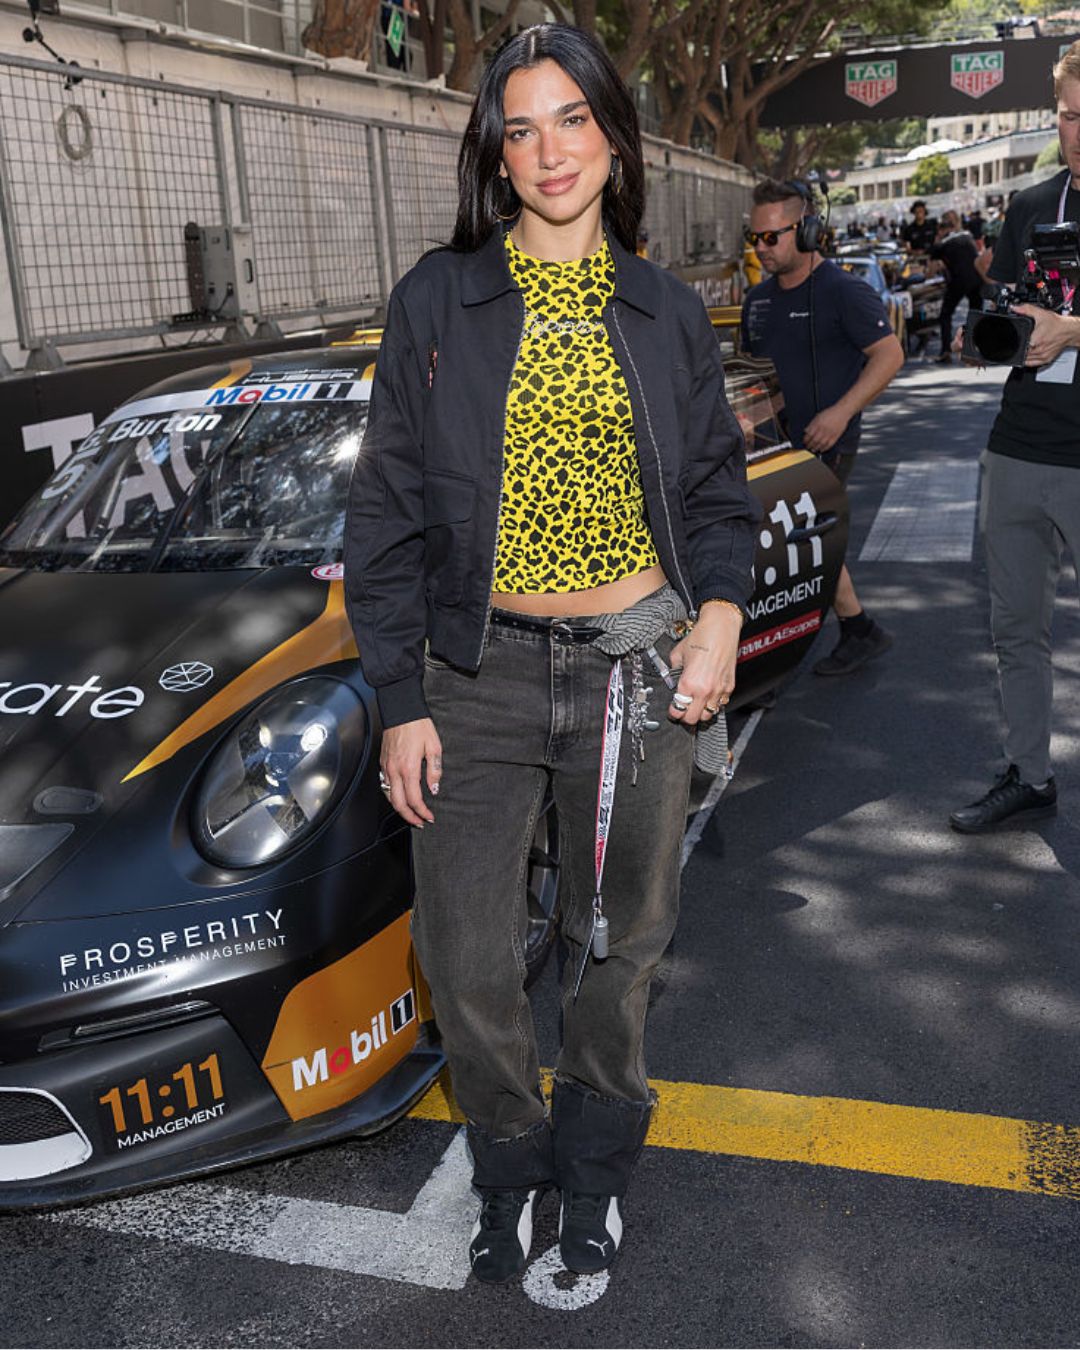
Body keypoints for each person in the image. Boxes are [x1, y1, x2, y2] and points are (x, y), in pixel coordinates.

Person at [344, 23, 759, 1283]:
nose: (547, 149)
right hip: (477, 676)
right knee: (464, 953)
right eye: (519, 127)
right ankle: (509, 1163)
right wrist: (401, 695)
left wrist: (724, 618)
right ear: (495, 154)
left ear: (613, 135)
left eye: (571, 118)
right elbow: (386, 517)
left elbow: (716, 503)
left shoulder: (665, 310)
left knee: (616, 944)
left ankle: (593, 1171)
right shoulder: (439, 298)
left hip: (639, 667)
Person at [949, 40, 1080, 833]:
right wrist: (989, 334)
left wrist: (1072, 330)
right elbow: (995, 310)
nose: (1076, 131)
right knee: (1015, 633)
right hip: (1020, 443)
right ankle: (1030, 773)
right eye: (1067, 115)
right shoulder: (1033, 202)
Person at [741, 179, 904, 675]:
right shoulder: (758, 301)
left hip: (830, 441)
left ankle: (772, 664)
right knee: (808, 543)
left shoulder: (844, 292)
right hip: (775, 447)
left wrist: (840, 413)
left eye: (773, 237)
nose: (762, 248)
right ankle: (858, 629)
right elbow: (757, 374)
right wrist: (748, 416)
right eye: (755, 238)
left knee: (798, 544)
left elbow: (889, 355)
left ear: (809, 230)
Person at [928, 210, 983, 364]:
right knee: (975, 315)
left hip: (958, 280)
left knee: (945, 314)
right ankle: (973, 350)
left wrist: (937, 241)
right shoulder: (967, 237)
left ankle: (945, 350)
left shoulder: (942, 245)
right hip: (977, 279)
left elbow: (931, 271)